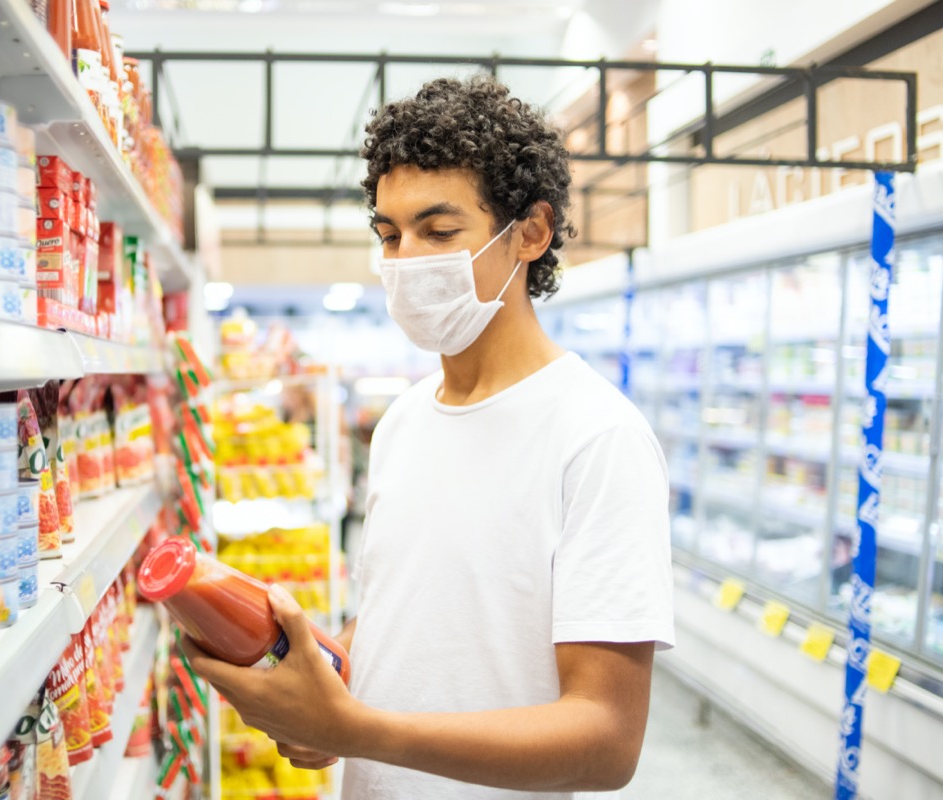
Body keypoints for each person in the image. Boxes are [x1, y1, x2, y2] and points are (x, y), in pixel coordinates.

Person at [185, 74, 674, 799]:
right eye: (389, 234)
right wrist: (324, 678)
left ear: (531, 233)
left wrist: (356, 728)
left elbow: (605, 741)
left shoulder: (597, 437)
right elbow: (405, 613)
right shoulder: (405, 423)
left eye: (440, 232)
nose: (407, 259)